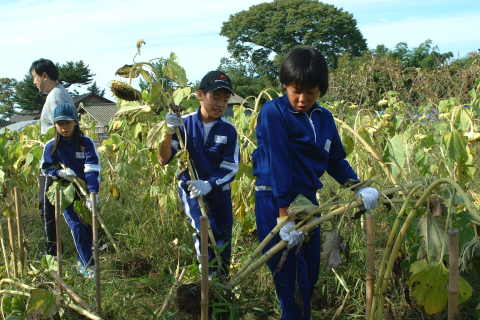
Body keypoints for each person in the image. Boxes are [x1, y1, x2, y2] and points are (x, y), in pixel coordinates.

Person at [252, 47, 379, 320]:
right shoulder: (274, 113)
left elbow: (334, 160)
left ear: (320, 90)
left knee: (308, 276)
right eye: (295, 91)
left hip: (308, 201)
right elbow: (279, 163)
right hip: (274, 199)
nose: (301, 99)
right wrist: (283, 216)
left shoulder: (323, 118)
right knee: (289, 280)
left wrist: (358, 187)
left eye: (309, 93)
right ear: (285, 86)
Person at [158, 70, 239, 278]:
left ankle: (222, 281)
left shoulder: (229, 131)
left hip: (219, 190)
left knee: (223, 235)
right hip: (192, 188)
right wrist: (168, 132)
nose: (220, 104)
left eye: (225, 99)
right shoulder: (183, 125)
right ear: (200, 95)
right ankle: (207, 279)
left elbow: (231, 167)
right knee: (204, 230)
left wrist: (210, 184)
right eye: (215, 97)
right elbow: (164, 158)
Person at [40, 103, 100, 278]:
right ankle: (89, 267)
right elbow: (46, 168)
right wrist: (60, 173)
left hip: (84, 190)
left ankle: (82, 261)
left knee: (89, 227)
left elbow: (92, 168)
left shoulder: (86, 143)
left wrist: (93, 193)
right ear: (55, 125)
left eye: (67, 123)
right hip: (64, 192)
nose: (64, 128)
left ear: (75, 122)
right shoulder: (51, 146)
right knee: (77, 227)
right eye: (60, 124)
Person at [30, 58, 74, 256]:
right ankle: (93, 243)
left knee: (46, 208)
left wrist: (53, 160)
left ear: (44, 75)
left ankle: (53, 254)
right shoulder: (60, 93)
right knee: (68, 206)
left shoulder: (56, 96)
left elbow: (62, 128)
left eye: (35, 77)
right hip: (61, 158)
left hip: (55, 160)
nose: (34, 82)